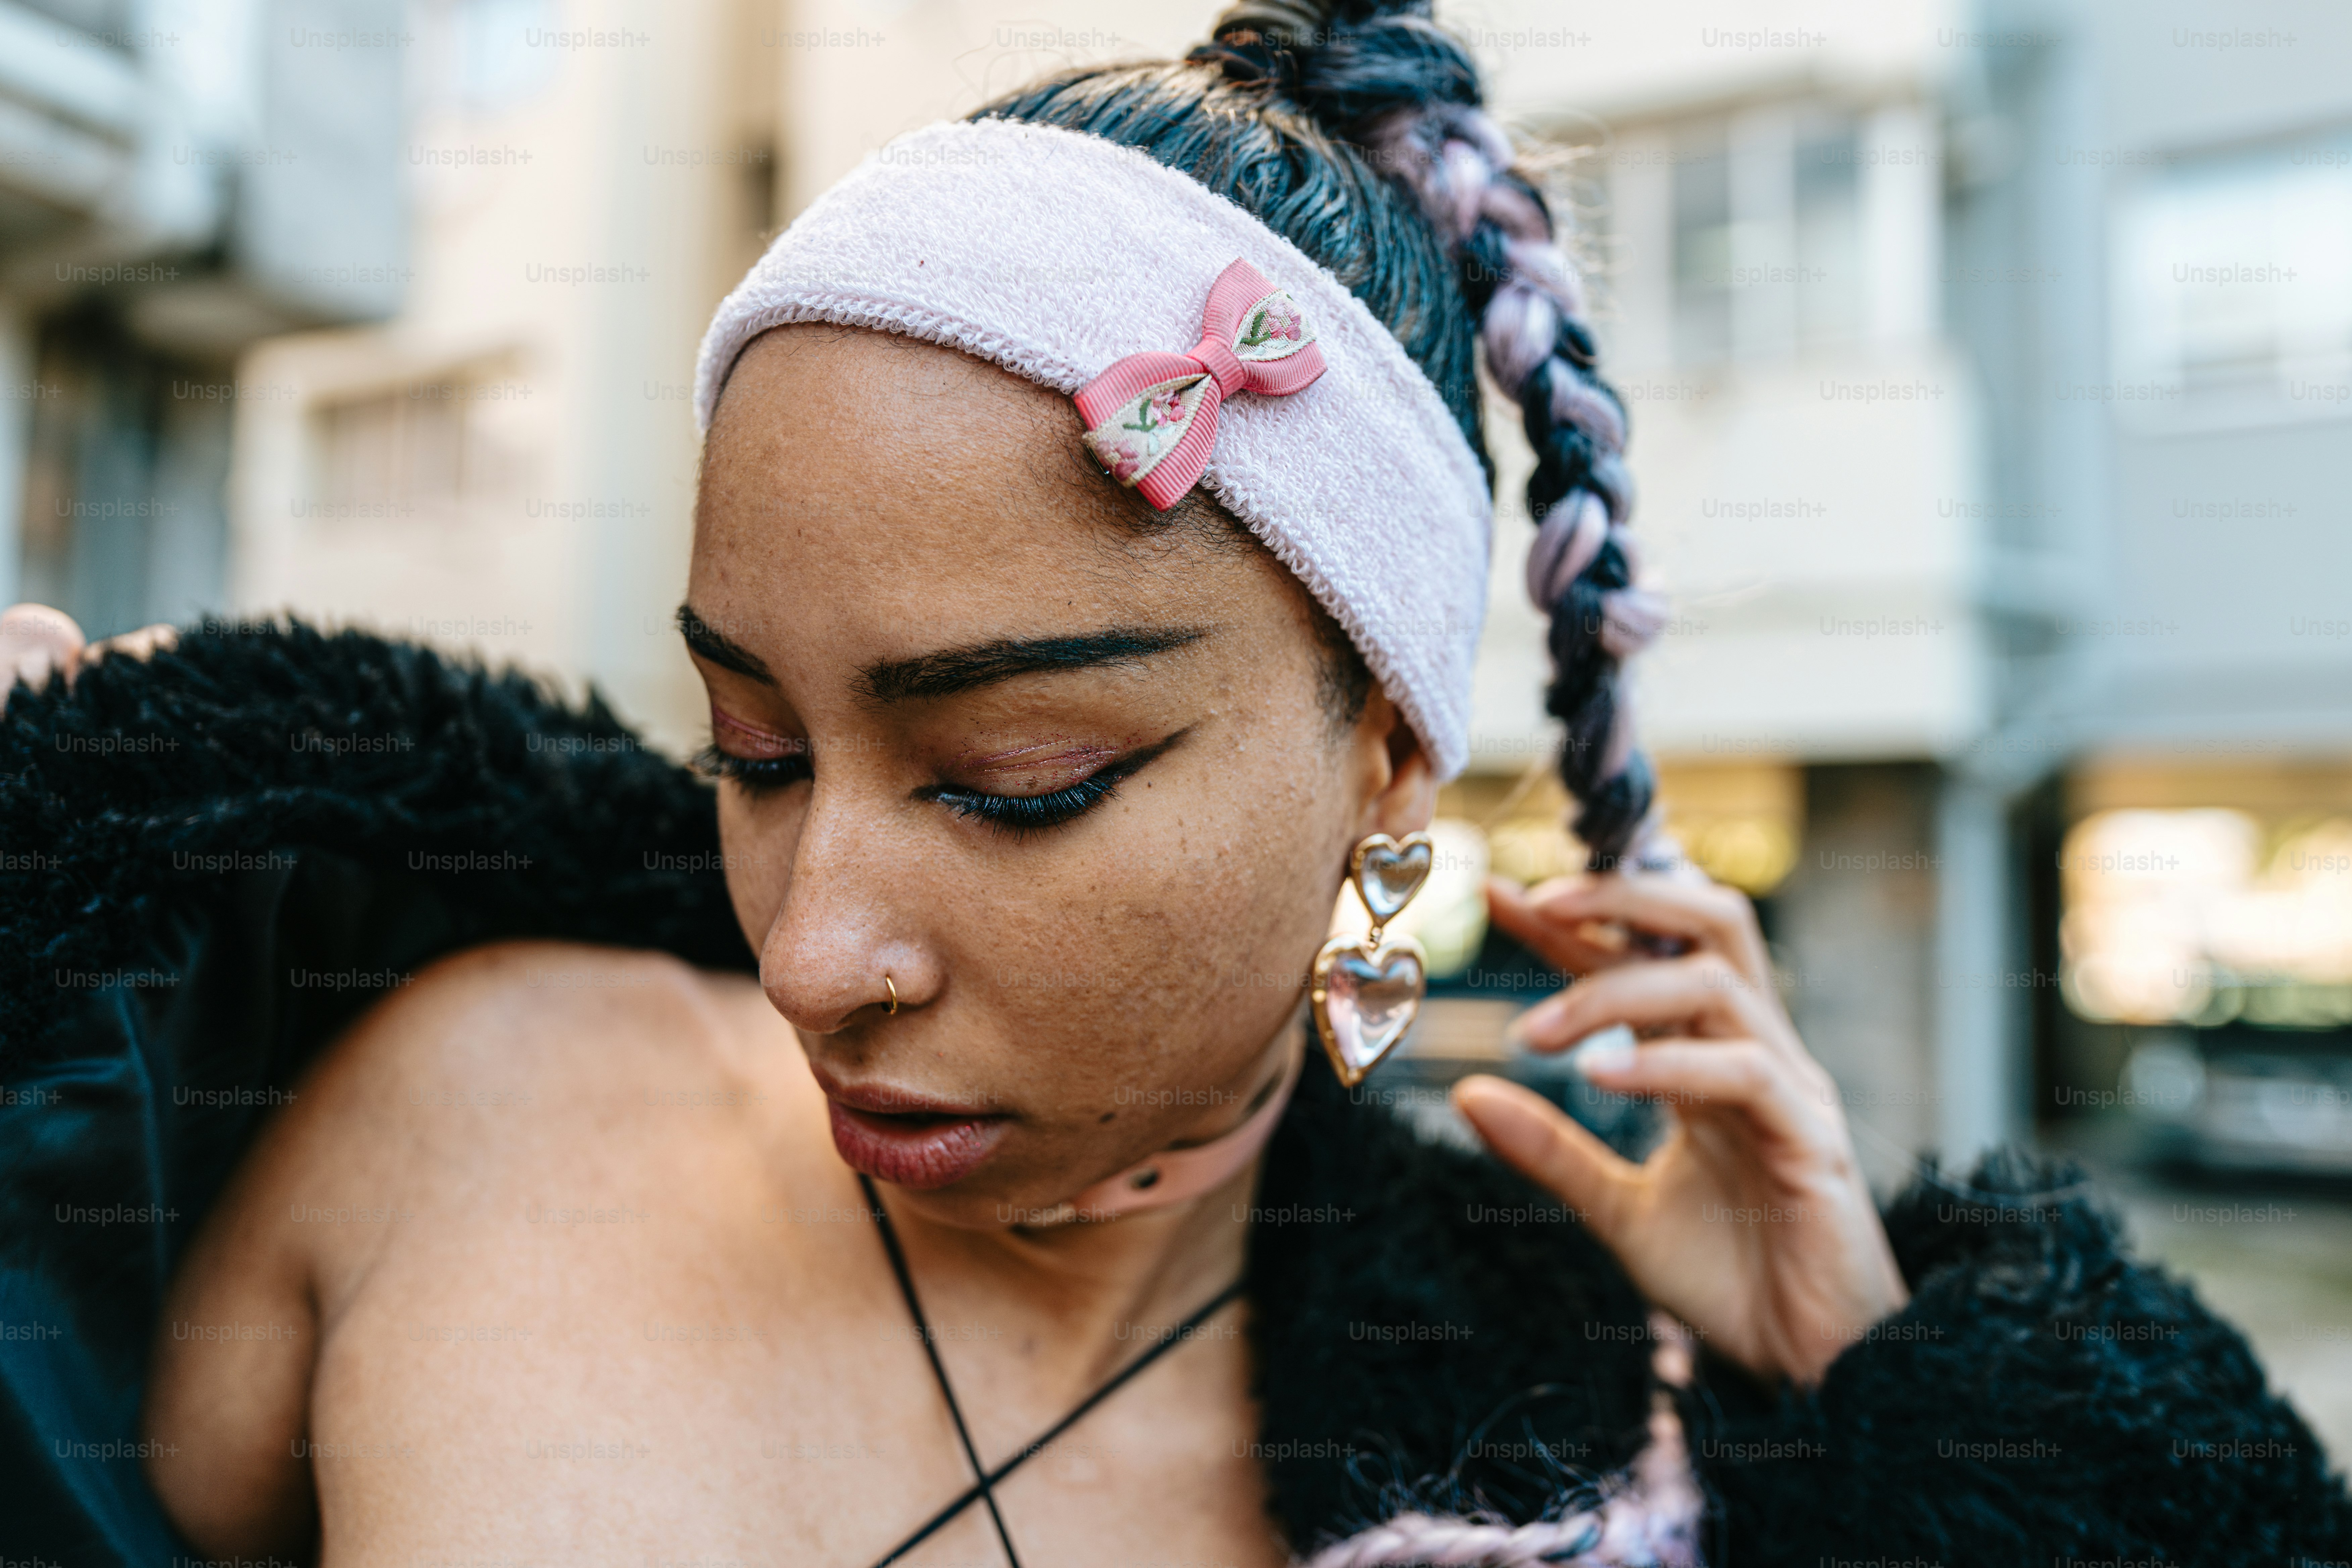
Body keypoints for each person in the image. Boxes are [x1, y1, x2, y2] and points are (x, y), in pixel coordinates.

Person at [2, 3, 2345, 1565]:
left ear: (1382, 760)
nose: (813, 946)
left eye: (1015, 781)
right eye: (753, 747)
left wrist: (1904, 1413)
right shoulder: (455, 1100)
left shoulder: (1595, 1440)